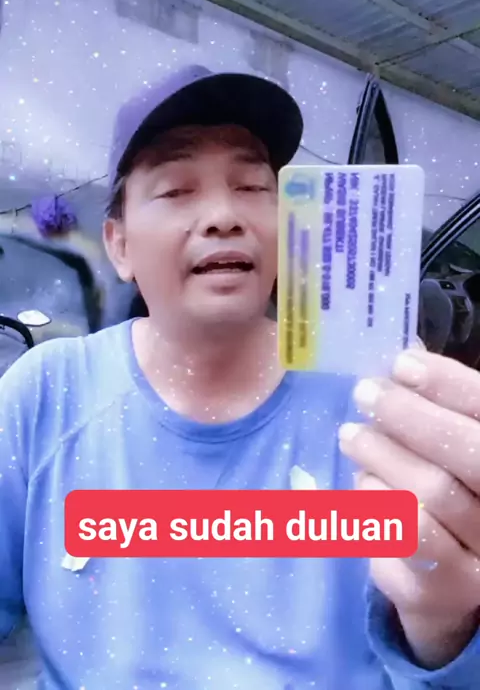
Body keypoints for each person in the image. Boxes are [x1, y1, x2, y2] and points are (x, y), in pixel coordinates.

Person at [0, 64, 479, 690]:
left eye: (253, 186)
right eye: (176, 190)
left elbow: (442, 645)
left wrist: (448, 625)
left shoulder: (374, 399)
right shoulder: (47, 392)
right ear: (119, 245)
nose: (224, 215)